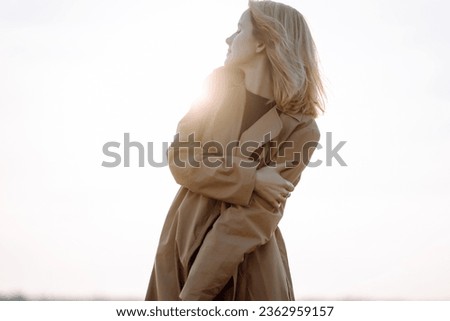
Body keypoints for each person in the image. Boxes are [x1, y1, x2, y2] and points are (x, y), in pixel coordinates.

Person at [145, 0, 324, 301]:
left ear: (263, 43)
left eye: (240, 29)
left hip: (249, 268)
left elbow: (252, 218)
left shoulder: (302, 130)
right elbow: (181, 159)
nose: (229, 39)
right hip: (179, 246)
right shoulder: (215, 87)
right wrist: (251, 179)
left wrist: (194, 295)